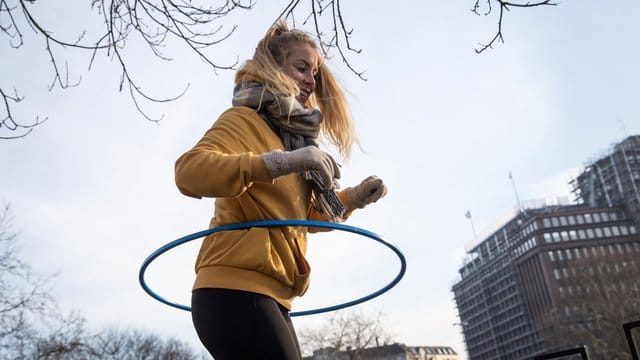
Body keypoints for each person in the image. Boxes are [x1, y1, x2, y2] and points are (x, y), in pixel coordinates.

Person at [174, 21, 387, 360]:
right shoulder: (243, 120)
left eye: (314, 72)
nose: (310, 80)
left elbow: (302, 219)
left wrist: (354, 198)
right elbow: (188, 172)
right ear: (272, 68)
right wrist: (280, 164)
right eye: (301, 68)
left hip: (273, 295)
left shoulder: (294, 138)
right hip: (233, 288)